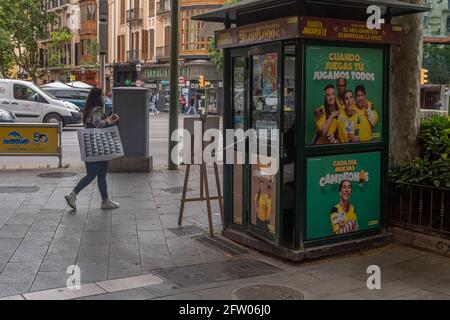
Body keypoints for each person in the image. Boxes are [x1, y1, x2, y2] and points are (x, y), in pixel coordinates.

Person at [64, 88, 120, 210]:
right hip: (99, 145)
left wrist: (107, 118)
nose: (103, 97)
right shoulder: (98, 109)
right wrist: (110, 120)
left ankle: (101, 200)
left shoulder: (88, 110)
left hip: (89, 145)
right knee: (99, 174)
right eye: (102, 95)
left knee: (93, 174)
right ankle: (100, 200)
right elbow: (98, 123)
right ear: (98, 97)